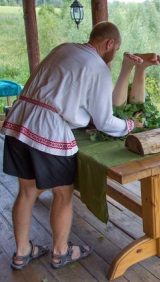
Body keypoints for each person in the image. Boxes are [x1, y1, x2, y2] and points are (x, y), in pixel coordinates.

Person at [1, 22, 143, 270]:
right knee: (63, 194)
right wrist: (130, 125)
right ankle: (61, 251)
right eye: (116, 48)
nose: (114, 53)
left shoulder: (64, 48)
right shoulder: (98, 67)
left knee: (26, 192)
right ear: (109, 44)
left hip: (19, 120)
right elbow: (104, 121)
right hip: (46, 128)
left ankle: (22, 252)